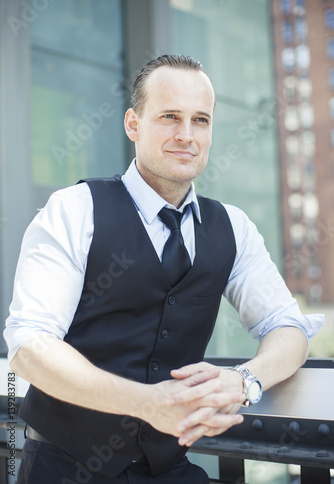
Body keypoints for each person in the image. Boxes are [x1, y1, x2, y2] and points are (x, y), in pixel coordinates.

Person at [4, 54, 324, 484]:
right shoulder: (75, 210)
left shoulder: (232, 227)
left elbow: (288, 328)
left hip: (169, 470)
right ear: (133, 124)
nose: (186, 135)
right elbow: (29, 346)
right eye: (170, 117)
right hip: (65, 468)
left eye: (201, 120)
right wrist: (145, 402)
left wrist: (244, 380)